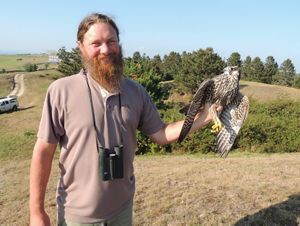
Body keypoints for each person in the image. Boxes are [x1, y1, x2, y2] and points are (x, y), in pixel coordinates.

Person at [29, 13, 221, 226]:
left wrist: (204, 117)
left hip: (122, 210)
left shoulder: (135, 91)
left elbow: (161, 134)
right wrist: (36, 212)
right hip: (76, 216)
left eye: (111, 41)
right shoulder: (61, 91)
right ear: (80, 47)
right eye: (96, 43)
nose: (105, 50)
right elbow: (43, 152)